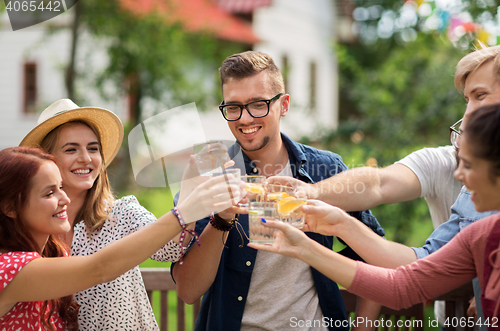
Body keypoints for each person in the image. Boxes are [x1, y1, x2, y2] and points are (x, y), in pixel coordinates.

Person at [269, 44, 500, 324]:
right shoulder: (478, 225)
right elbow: (406, 282)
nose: (459, 175)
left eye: (480, 96)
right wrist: (332, 223)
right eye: (467, 99)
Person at [171, 51, 385, 331]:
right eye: (233, 107)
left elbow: (374, 250)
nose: (244, 119)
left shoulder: (326, 169)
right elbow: (188, 291)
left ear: (283, 105)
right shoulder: (208, 175)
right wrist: (221, 219)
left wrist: (363, 327)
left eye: (258, 104)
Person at [0, 146, 239, 330]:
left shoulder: (53, 251)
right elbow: (101, 267)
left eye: (61, 187)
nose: (64, 198)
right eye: (49, 193)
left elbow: (167, 249)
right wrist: (184, 212)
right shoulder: (9, 268)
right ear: (9, 207)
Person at [18, 99, 205, 329]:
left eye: (93, 148)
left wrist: (190, 197)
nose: (86, 158)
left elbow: (170, 248)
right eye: (71, 149)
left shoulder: (122, 213)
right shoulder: (33, 230)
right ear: (47, 160)